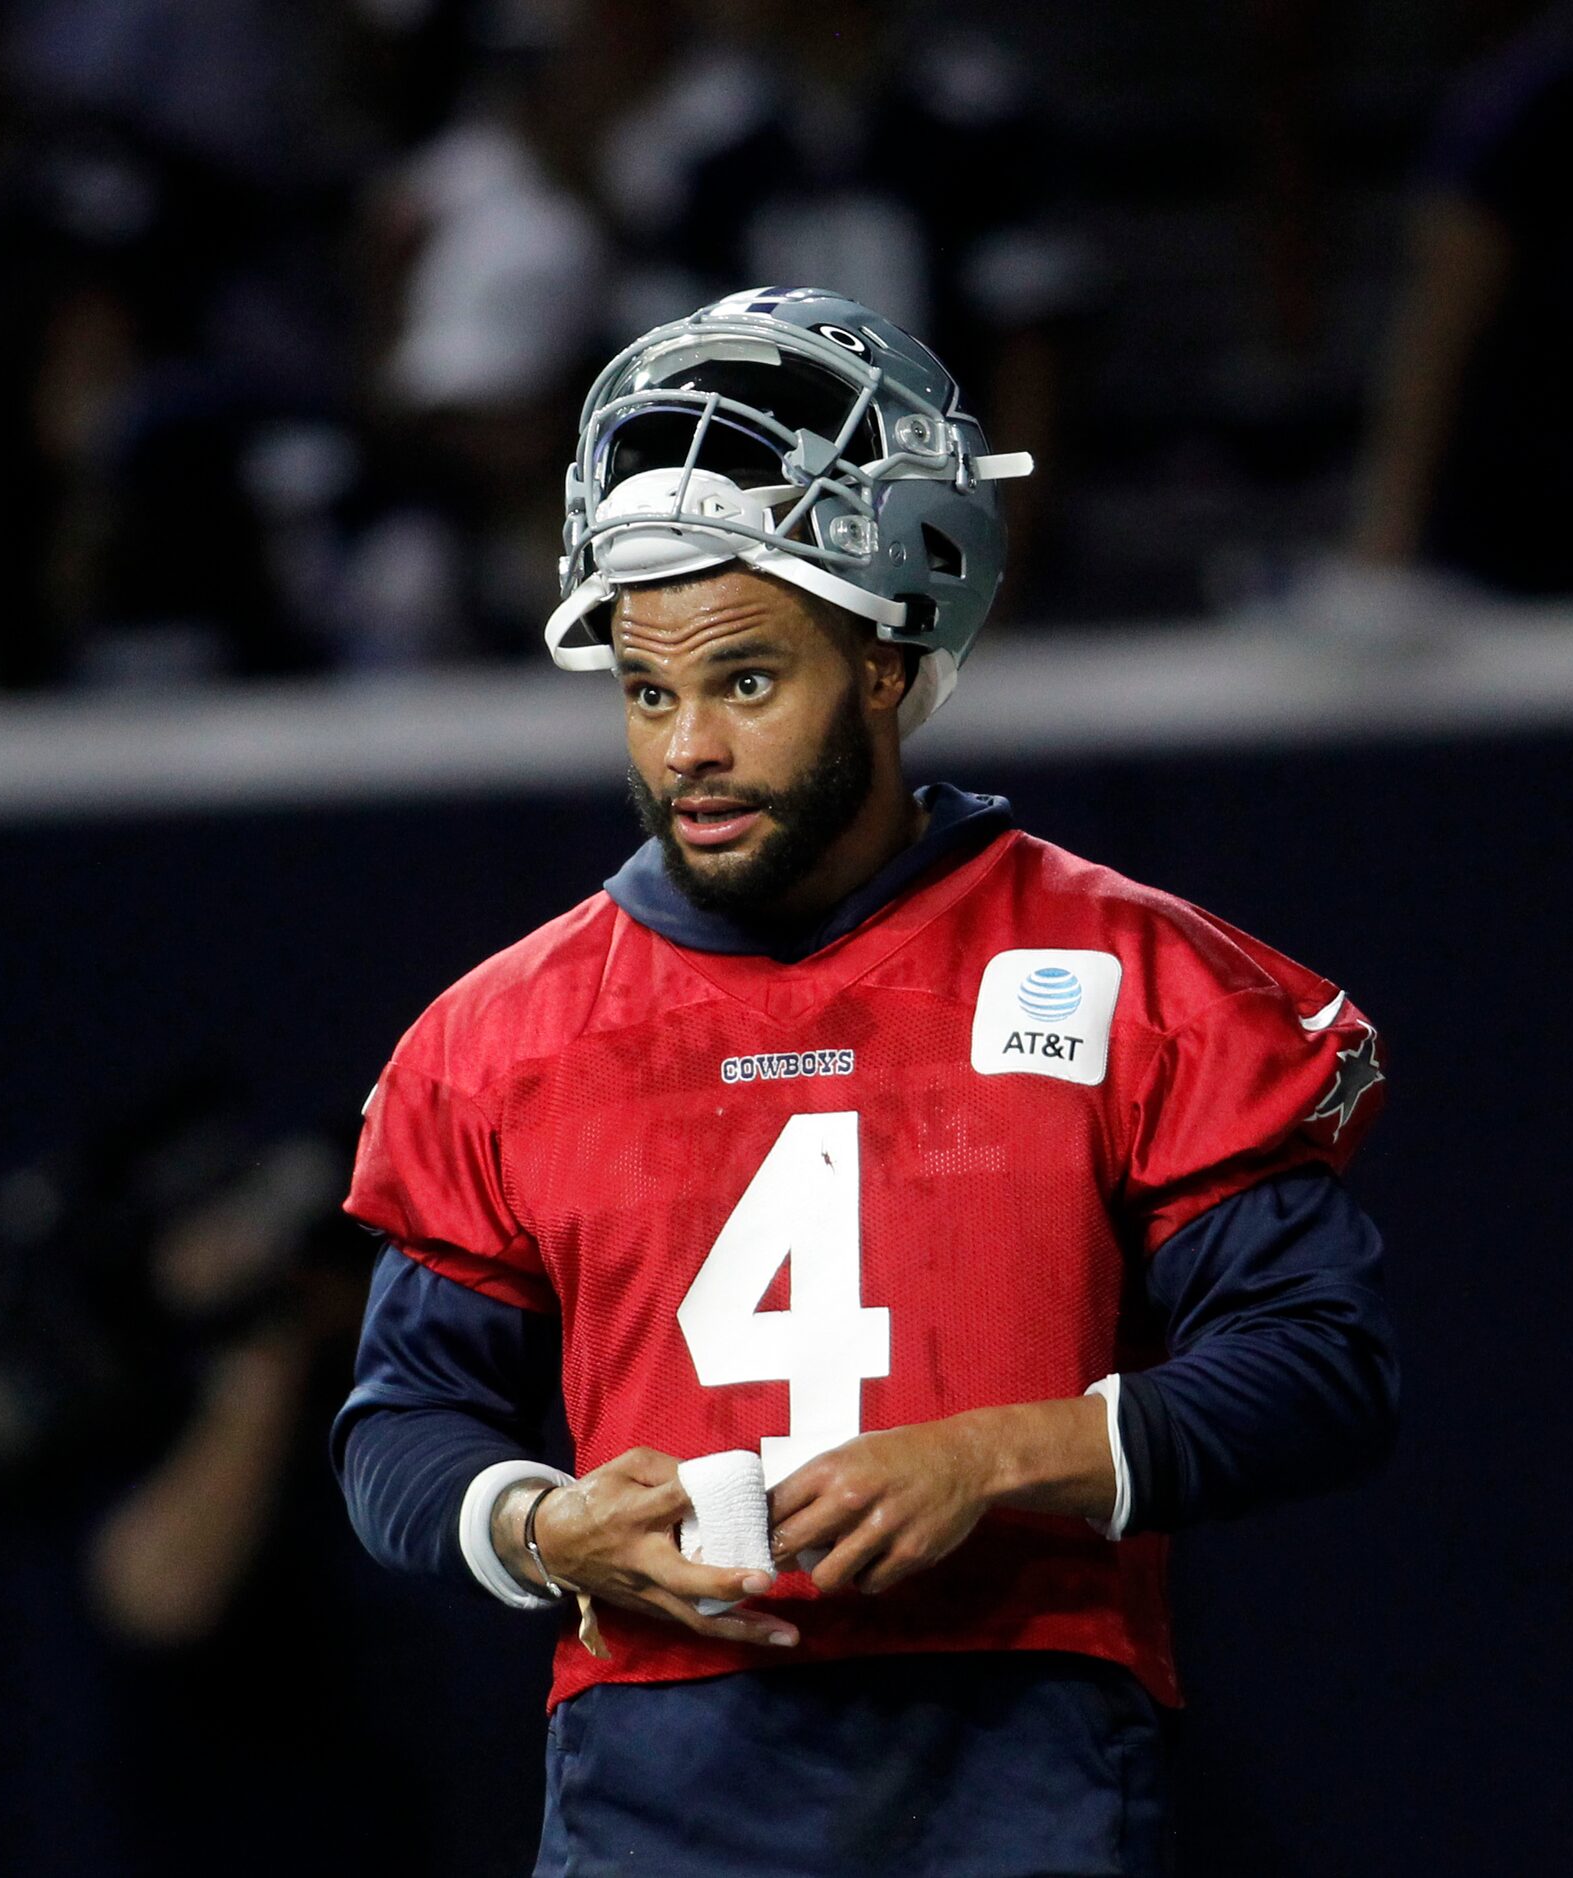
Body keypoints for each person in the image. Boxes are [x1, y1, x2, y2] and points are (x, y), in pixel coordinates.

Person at [333, 287, 1399, 1877]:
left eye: (746, 682)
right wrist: (545, 1526)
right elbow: (402, 1422)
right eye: (646, 690)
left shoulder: (1132, 975)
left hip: (1022, 1779)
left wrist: (991, 1456)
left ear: (890, 661)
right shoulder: (504, 1032)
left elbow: (1323, 1369)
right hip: (653, 1793)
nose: (686, 744)